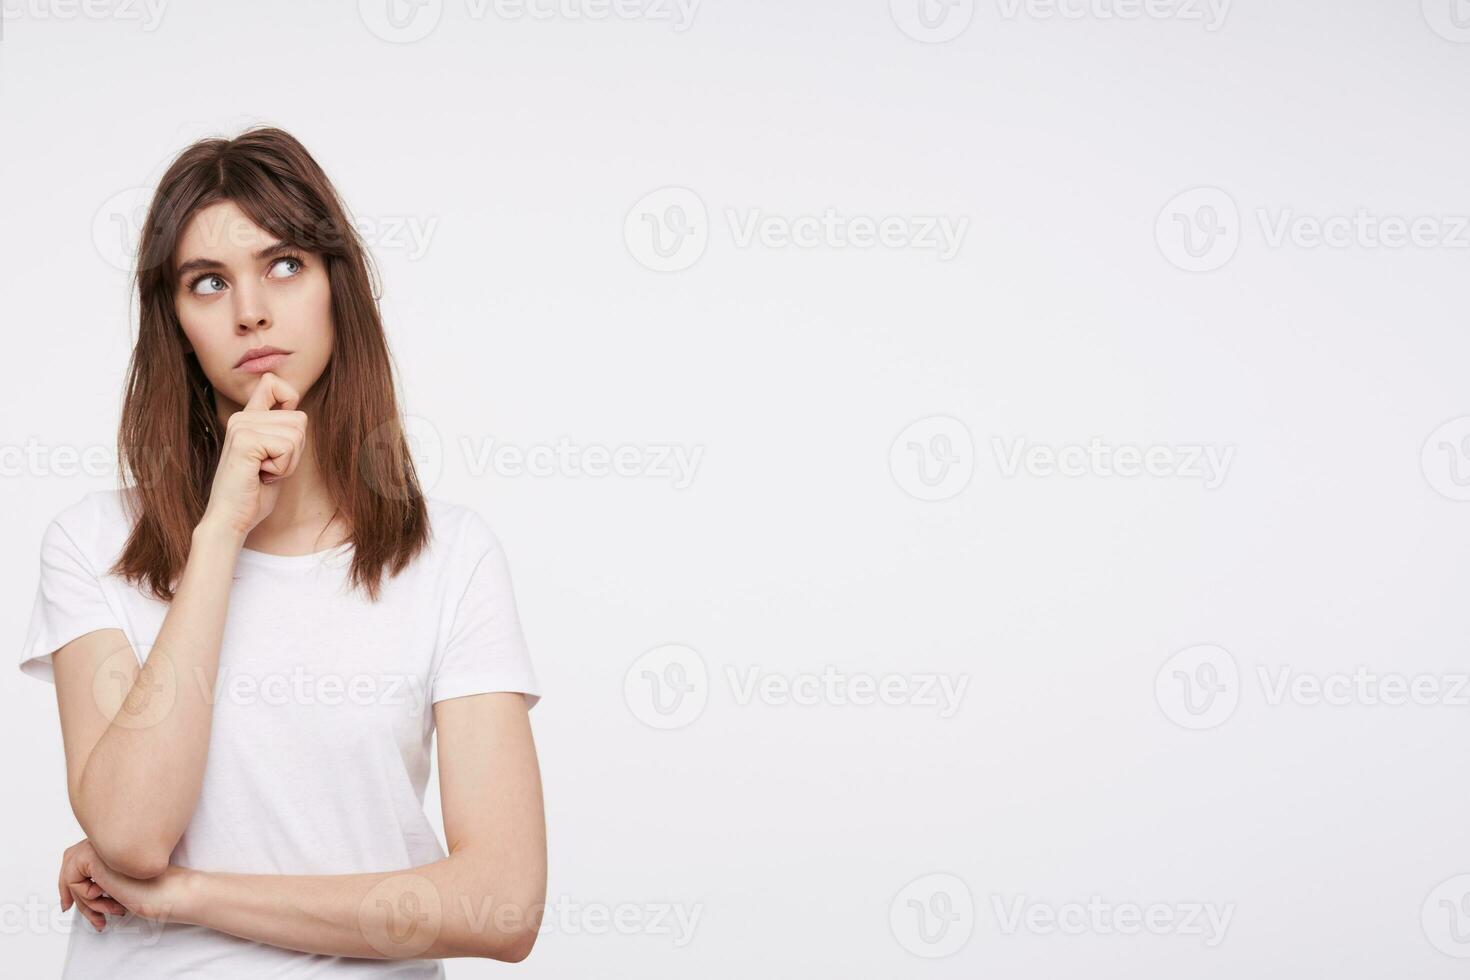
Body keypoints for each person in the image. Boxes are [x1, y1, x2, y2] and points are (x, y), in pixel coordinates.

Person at [18, 127, 547, 978]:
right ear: (177, 322)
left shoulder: (449, 558)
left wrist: (190, 896)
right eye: (208, 282)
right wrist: (220, 532)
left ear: (339, 284)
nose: (251, 310)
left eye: (286, 265)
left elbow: (504, 905)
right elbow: (130, 831)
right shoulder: (94, 545)